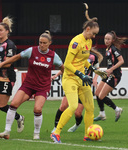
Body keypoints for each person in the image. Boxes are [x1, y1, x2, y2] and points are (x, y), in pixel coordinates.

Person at [0, 30, 64, 140]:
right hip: (28, 84)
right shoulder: (32, 50)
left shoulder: (53, 56)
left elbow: (62, 67)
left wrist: (68, 78)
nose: (42, 45)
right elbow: (16, 57)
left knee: (37, 109)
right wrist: (2, 63)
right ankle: (6, 132)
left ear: (50, 43)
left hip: (42, 87)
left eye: (44, 43)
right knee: (13, 104)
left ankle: (36, 133)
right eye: (40, 42)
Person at [51, 3, 100, 143]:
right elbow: (67, 64)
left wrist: (92, 69)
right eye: (93, 33)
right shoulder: (76, 42)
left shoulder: (89, 41)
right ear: (87, 28)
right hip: (71, 79)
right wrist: (81, 74)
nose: (94, 36)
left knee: (90, 108)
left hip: (82, 79)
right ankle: (56, 133)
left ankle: (88, 135)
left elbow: (83, 60)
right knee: (72, 106)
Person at [51, 48, 103, 133]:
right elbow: (67, 67)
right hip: (73, 82)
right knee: (63, 106)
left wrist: (95, 78)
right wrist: (56, 75)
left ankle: (77, 124)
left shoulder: (94, 57)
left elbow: (97, 68)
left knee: (78, 113)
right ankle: (56, 127)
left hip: (85, 85)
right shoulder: (76, 55)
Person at [94, 31, 127, 122]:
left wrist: (111, 69)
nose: (106, 40)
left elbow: (121, 61)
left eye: (108, 39)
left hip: (115, 75)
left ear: (112, 40)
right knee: (97, 93)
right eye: (105, 39)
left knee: (101, 96)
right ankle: (102, 114)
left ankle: (117, 110)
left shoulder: (113, 49)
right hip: (108, 74)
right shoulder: (107, 49)